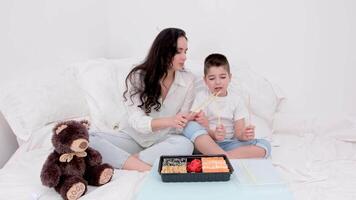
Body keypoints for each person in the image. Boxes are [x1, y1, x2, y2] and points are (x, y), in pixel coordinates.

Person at [89, 28, 195, 171]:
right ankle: (144, 166)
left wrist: (188, 119)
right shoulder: (138, 76)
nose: (184, 57)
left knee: (186, 145)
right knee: (89, 138)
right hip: (133, 138)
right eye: (178, 51)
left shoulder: (188, 80)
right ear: (163, 51)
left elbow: (179, 125)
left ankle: (129, 162)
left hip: (162, 141)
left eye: (185, 51)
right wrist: (170, 120)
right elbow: (136, 121)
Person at [183, 53, 271, 159]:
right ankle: (220, 155)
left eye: (223, 77)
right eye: (211, 78)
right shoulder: (202, 96)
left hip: (229, 144)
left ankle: (225, 157)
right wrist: (210, 131)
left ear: (230, 78)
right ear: (205, 81)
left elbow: (239, 133)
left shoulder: (236, 100)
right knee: (189, 126)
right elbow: (193, 122)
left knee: (265, 145)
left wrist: (245, 135)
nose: (218, 82)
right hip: (207, 142)